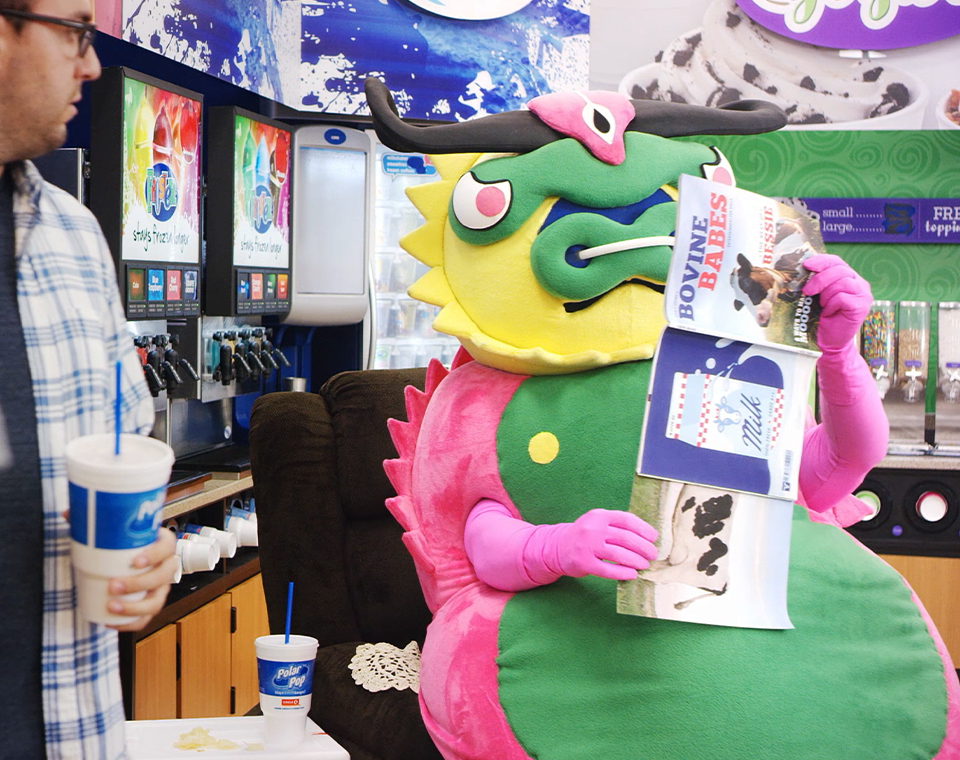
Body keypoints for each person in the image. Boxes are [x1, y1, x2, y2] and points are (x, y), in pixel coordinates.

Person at [0, 0, 177, 757]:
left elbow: (123, 453)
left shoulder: (74, 236)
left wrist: (150, 555)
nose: (93, 65)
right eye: (76, 31)